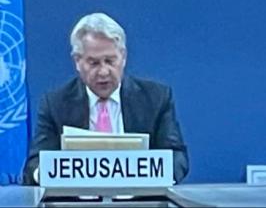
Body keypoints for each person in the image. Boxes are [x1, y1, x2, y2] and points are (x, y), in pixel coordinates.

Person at [25, 13, 189, 184]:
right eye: (94, 63)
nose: (103, 72)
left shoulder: (156, 98)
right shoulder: (55, 104)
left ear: (123, 57)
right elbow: (35, 164)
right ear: (77, 61)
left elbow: (177, 156)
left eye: (110, 61)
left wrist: (161, 175)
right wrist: (46, 173)